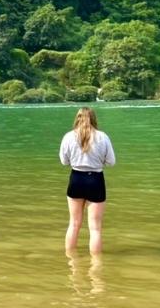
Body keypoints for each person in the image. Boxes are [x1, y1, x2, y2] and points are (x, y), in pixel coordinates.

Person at [59, 107, 116, 254]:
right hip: (95, 180)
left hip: (76, 179)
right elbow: (111, 162)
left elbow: (64, 161)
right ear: (93, 118)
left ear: (77, 118)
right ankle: (96, 267)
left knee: (74, 224)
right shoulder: (102, 136)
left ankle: (71, 262)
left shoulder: (68, 136)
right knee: (95, 228)